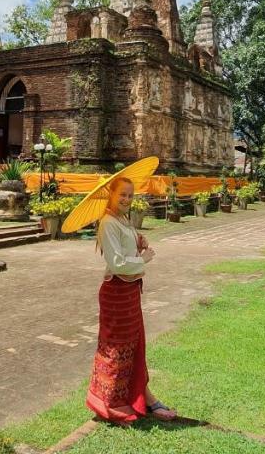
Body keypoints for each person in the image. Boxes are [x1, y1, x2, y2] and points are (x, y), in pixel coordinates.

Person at [85, 178, 178, 424]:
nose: (126, 199)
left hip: (130, 291)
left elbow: (126, 247)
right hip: (116, 292)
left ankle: (145, 397)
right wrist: (145, 258)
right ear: (111, 196)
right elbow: (117, 263)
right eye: (122, 195)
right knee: (116, 348)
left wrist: (139, 240)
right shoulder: (107, 223)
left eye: (130, 195)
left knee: (136, 346)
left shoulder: (123, 220)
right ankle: (110, 402)